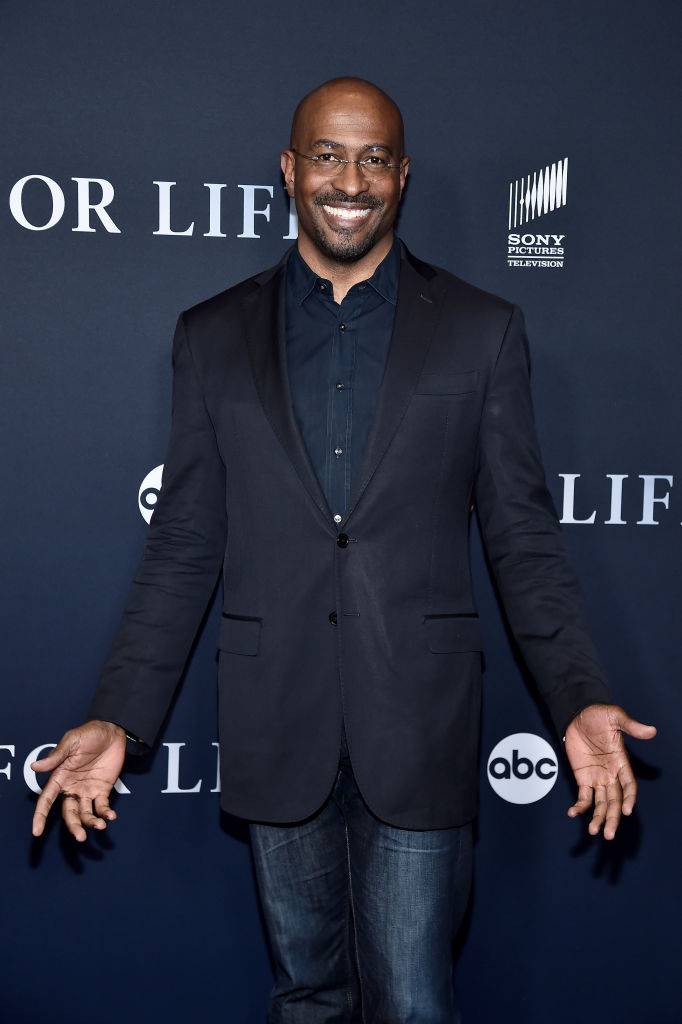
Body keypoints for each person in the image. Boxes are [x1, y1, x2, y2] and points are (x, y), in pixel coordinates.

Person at [30, 76, 657, 1021]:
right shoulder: (211, 335)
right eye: (327, 155)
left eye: (373, 158)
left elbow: (524, 539)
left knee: (412, 1000)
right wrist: (120, 717)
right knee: (308, 994)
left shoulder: (484, 333)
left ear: (403, 177)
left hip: (421, 721)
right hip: (275, 718)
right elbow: (186, 542)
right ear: (290, 170)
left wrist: (579, 693)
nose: (349, 179)